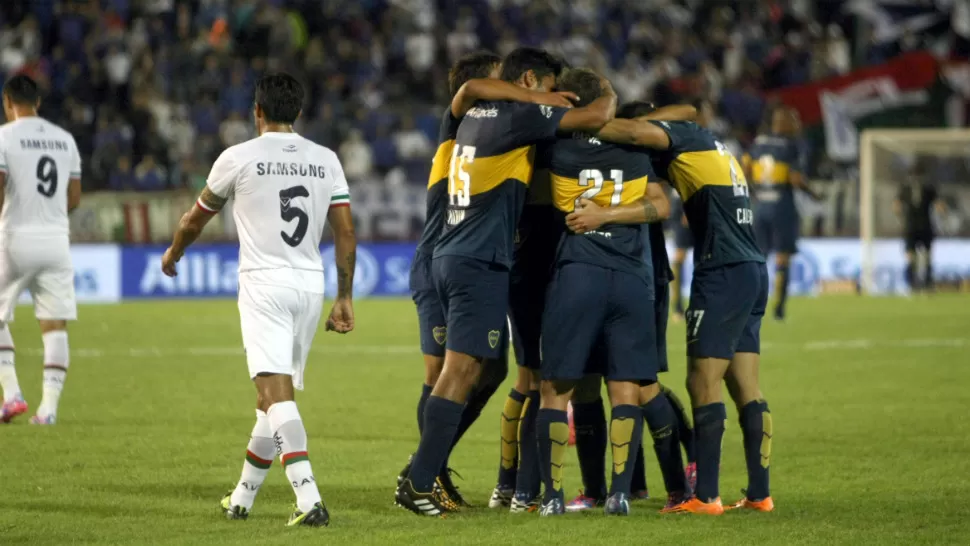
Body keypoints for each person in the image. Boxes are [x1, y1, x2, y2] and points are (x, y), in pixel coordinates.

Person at [394, 47, 616, 518]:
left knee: (482, 370)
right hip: (475, 259)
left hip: (450, 252)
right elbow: (595, 116)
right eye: (549, 86)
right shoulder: (518, 116)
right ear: (531, 81)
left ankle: (426, 472)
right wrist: (595, 92)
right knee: (457, 373)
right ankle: (419, 480)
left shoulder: (467, 121)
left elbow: (473, 90)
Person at [160, 73, 357, 528]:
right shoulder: (325, 159)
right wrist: (344, 297)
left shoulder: (239, 157)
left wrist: (173, 252)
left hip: (264, 283)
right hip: (310, 284)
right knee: (268, 399)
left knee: (275, 394)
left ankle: (309, 499)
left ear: (257, 111)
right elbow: (345, 231)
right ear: (299, 113)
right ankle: (242, 499)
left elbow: (195, 218)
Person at [587, 114, 773, 515]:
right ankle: (760, 493)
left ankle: (705, 496)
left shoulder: (686, 139)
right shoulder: (717, 152)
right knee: (746, 387)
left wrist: (583, 124)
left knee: (701, 381)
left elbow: (638, 131)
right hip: (752, 268)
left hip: (722, 271)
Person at [532, 70, 687, 517]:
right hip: (632, 278)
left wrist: (594, 215)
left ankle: (553, 496)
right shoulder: (637, 148)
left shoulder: (553, 146)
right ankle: (620, 494)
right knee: (625, 388)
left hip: (578, 272)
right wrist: (614, 214)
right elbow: (661, 206)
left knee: (555, 389)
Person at [563, 101, 698, 514]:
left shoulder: (636, 155)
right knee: (609, 382)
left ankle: (679, 482)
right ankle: (628, 486)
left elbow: (688, 110)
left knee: (639, 385)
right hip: (621, 275)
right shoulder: (622, 159)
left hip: (644, 277)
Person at [0, 74, 82, 426]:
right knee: (54, 325)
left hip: (15, 237)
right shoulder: (65, 140)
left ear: (7, 103)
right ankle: (47, 410)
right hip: (56, 241)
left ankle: (12, 394)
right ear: (38, 103)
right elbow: (74, 197)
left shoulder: (4, 137)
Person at [744, 106, 818, 320]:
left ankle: (752, 305)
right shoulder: (792, 145)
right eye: (793, 119)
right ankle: (779, 308)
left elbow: (744, 169)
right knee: (782, 258)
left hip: (759, 207)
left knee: (759, 258)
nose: (797, 124)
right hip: (781, 206)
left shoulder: (757, 143)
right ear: (783, 122)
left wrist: (753, 191)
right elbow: (795, 179)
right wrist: (813, 194)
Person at [893, 169, 940, 292]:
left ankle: (922, 283)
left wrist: (899, 215)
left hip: (921, 227)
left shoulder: (927, 189)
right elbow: (939, 206)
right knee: (915, 257)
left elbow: (896, 207)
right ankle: (915, 283)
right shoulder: (907, 188)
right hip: (915, 227)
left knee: (924, 256)